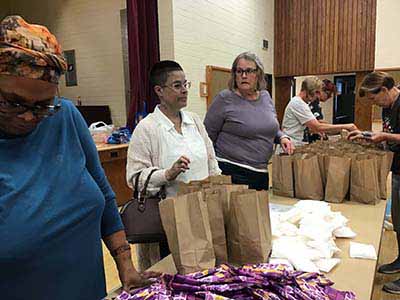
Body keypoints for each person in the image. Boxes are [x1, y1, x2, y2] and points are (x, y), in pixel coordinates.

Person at [0, 16, 157, 300]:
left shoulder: (65, 117)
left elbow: (105, 195)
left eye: (42, 105)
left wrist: (125, 265)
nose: (28, 115)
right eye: (13, 102)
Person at [126, 60, 221, 271]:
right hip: (169, 220)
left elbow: (211, 160)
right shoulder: (147, 128)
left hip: (202, 212)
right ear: (159, 90)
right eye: (177, 86)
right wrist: (168, 173)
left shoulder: (194, 121)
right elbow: (135, 179)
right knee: (173, 273)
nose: (185, 90)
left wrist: (219, 190)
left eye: (185, 84)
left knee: (203, 270)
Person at [204, 52, 293, 191]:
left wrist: (282, 137)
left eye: (249, 71)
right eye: (239, 71)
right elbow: (207, 136)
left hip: (260, 173)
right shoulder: (225, 98)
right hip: (231, 172)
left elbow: (270, 127)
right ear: (234, 75)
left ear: (258, 74)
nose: (244, 76)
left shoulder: (265, 97)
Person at [347, 71, 400, 295]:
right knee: (399, 222)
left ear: (385, 90)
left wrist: (386, 138)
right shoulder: (389, 106)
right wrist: (368, 135)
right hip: (397, 170)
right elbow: (390, 132)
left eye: (374, 98)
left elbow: (392, 136)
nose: (374, 103)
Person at [281, 76, 357, 148]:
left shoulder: (303, 103)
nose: (317, 96)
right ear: (310, 91)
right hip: (291, 144)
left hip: (296, 144)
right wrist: (347, 126)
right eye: (316, 93)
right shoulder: (298, 103)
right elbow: (317, 126)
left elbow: (315, 125)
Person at [303, 79, 337, 143]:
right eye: (328, 94)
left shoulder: (316, 103)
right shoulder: (313, 102)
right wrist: (338, 128)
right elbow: (318, 123)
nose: (329, 97)